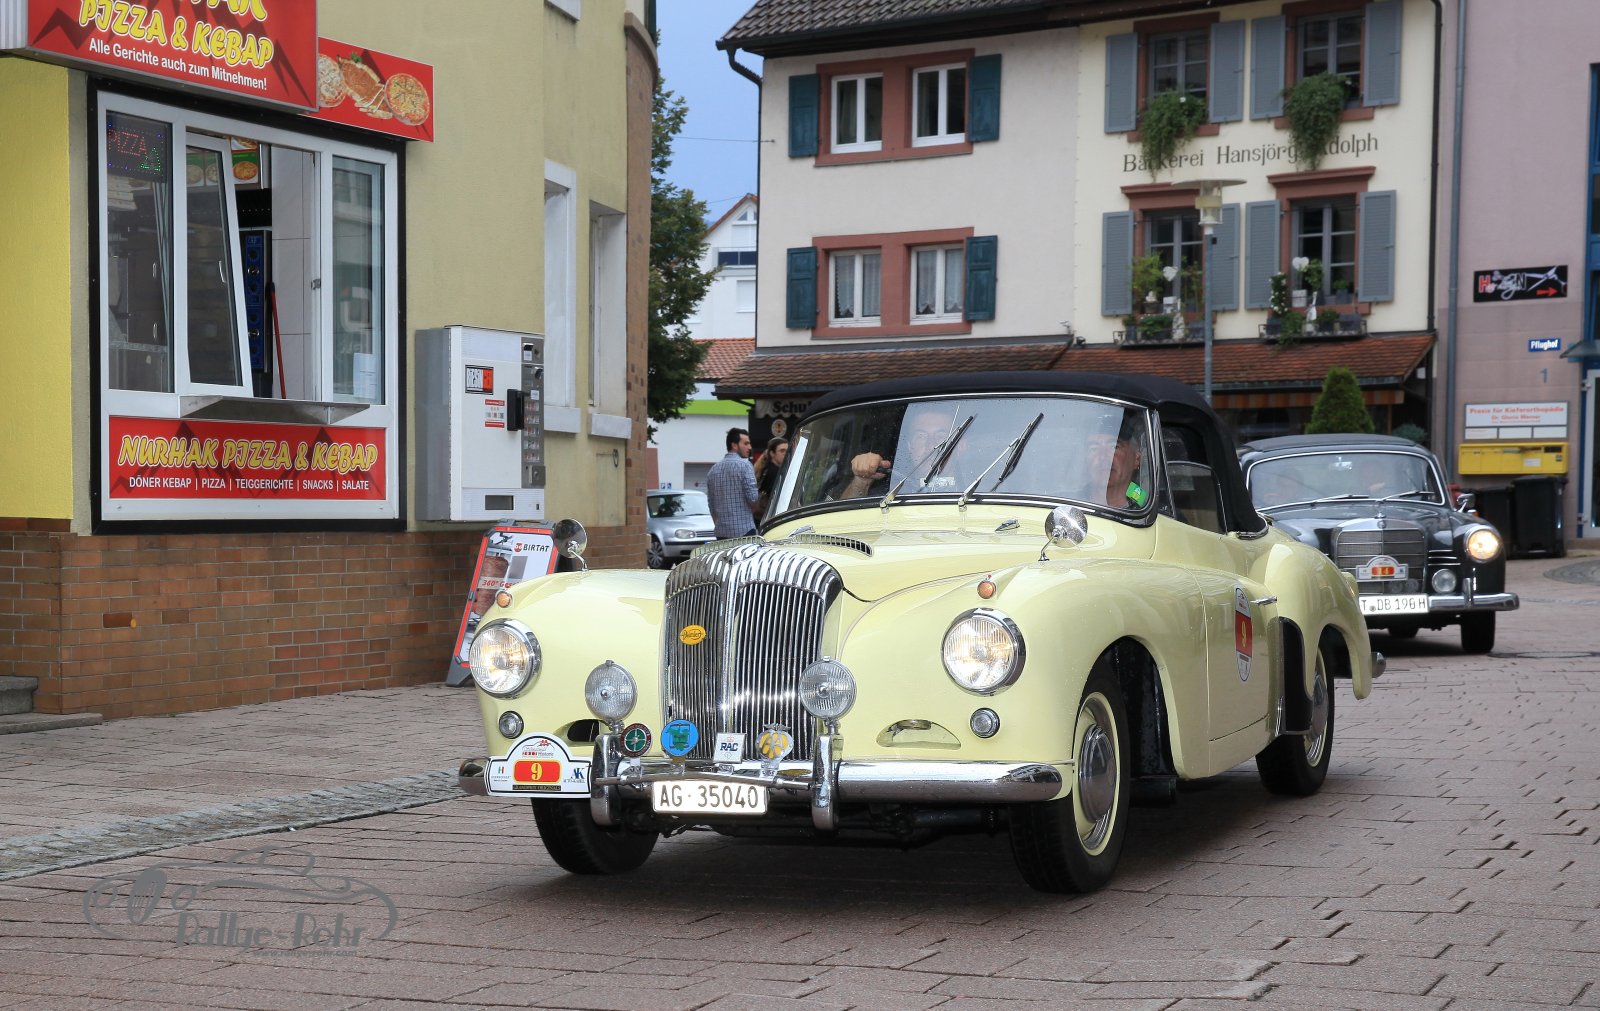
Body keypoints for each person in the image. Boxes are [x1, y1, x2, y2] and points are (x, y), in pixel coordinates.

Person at [838, 404, 957, 499]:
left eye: (941, 436)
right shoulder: (889, 495)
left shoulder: (969, 489)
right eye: (921, 436)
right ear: (910, 446)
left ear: (960, 445)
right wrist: (862, 480)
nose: (930, 445)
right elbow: (843, 519)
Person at [1084, 415, 1150, 509]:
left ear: (1136, 458)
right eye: (1094, 448)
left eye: (1114, 447)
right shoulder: (1068, 504)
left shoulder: (1148, 507)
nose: (1102, 457)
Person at [706, 427, 760, 538]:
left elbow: (711, 504)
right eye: (746, 443)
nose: (749, 447)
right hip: (744, 530)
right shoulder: (745, 466)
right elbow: (753, 498)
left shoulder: (713, 470)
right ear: (734, 445)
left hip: (721, 532)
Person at [752, 436, 789, 516]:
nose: (785, 453)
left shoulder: (765, 467)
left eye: (787, 450)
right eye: (782, 451)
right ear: (772, 453)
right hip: (771, 514)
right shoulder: (774, 471)